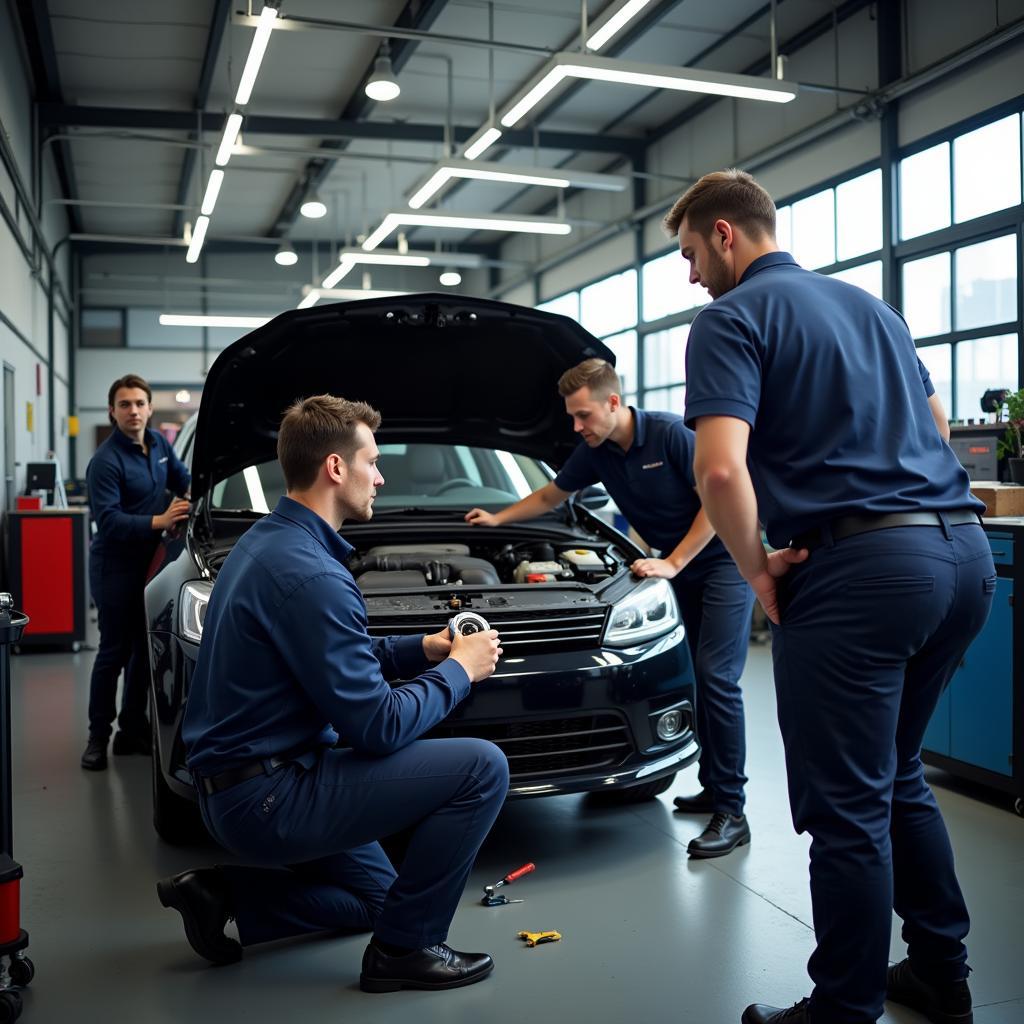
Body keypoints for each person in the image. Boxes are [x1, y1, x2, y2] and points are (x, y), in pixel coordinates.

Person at [666, 169, 992, 1024]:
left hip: (864, 575)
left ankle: (842, 1009)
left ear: (727, 234)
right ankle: (939, 972)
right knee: (895, 777)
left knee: (845, 805)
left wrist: (756, 569)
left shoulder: (731, 319)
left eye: (693, 252)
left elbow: (721, 467)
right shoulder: (873, 309)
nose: (692, 273)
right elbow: (941, 429)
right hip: (963, 558)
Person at [157, 395, 508, 993]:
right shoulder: (314, 575)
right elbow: (377, 727)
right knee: (482, 767)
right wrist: (461, 671)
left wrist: (419, 649)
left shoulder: (269, 544)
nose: (381, 475)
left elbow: (324, 660)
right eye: (372, 461)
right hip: (270, 795)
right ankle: (405, 952)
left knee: (380, 899)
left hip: (241, 783)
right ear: (336, 469)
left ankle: (224, 896)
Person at [466, 359, 756, 858]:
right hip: (678, 567)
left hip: (724, 560)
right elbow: (552, 494)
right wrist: (497, 519)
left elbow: (718, 498)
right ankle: (714, 786)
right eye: (572, 418)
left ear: (613, 403)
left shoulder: (670, 436)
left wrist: (672, 561)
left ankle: (732, 810)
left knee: (716, 677)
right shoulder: (596, 451)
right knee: (696, 677)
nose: (577, 427)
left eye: (583, 416)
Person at [80, 374, 191, 771]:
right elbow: (108, 521)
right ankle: (97, 737)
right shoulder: (105, 462)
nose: (133, 411)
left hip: (151, 563)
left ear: (149, 408)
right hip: (115, 567)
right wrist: (162, 519)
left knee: (144, 651)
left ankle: (132, 730)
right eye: (125, 404)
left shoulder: (159, 444)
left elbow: (182, 479)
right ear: (112, 411)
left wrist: (195, 498)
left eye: (140, 403)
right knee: (113, 652)